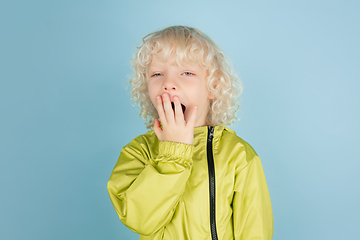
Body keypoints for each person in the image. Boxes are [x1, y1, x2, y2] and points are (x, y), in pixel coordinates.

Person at [107, 25, 273, 240]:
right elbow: (139, 220)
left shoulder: (239, 155)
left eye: (186, 72)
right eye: (157, 73)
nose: (168, 84)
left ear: (213, 86)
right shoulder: (139, 151)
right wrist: (173, 153)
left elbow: (255, 231)